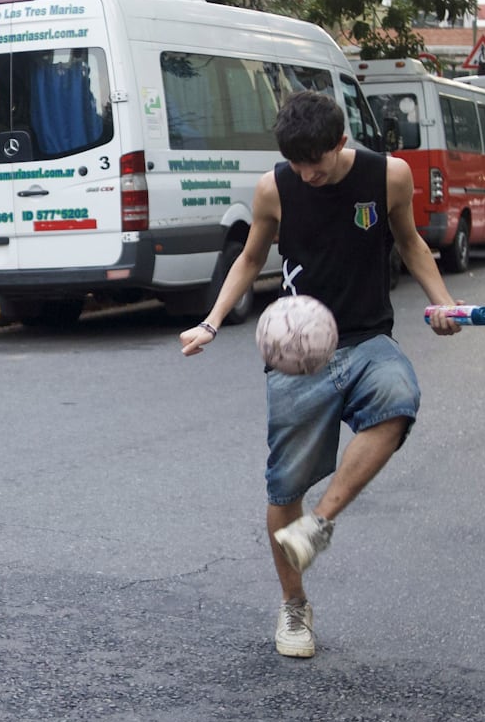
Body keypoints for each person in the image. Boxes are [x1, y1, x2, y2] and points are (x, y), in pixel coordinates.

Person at [178, 90, 462, 659]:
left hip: (365, 335)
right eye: (297, 164)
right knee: (285, 488)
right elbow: (251, 259)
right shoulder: (274, 189)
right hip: (296, 351)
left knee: (398, 397)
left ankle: (322, 523)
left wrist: (443, 301)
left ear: (341, 142)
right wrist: (210, 322)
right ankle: (294, 606)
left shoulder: (391, 177)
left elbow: (409, 242)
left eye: (318, 163)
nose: (307, 175)